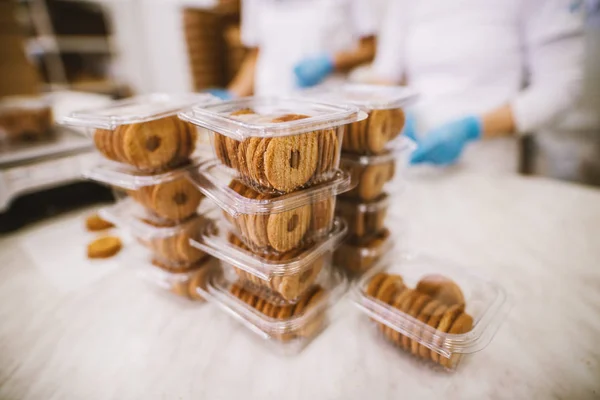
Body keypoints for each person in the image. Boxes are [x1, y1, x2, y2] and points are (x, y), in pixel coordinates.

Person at [371, 0, 585, 173]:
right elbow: (385, 73)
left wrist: (473, 128)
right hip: (413, 158)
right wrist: (397, 113)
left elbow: (561, 88)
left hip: (487, 162)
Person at [208, 0, 377, 99]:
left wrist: (331, 61)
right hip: (270, 106)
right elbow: (257, 54)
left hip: (328, 107)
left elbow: (370, 48)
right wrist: (232, 96)